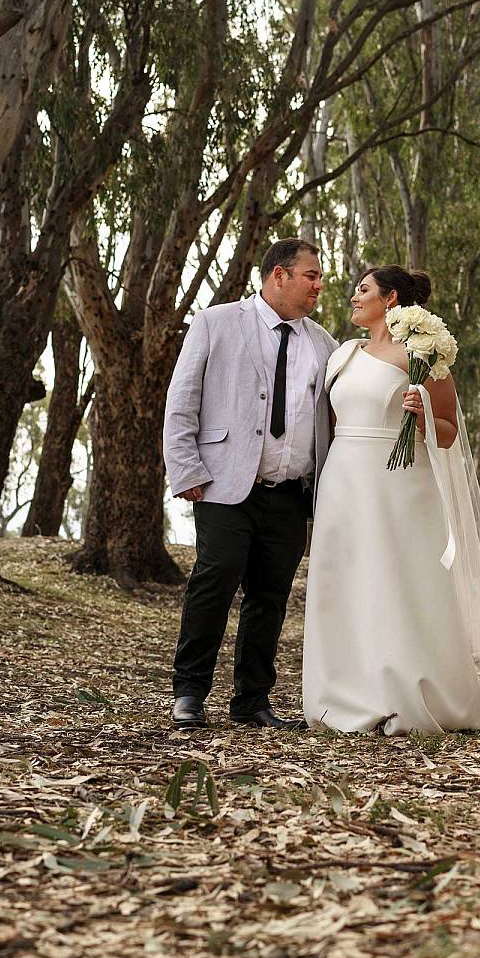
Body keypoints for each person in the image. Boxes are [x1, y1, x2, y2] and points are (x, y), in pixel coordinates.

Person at [302, 264, 480, 735]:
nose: (352, 297)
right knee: (345, 581)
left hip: (399, 482)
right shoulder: (344, 355)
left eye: (363, 290)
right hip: (344, 481)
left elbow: (448, 431)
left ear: (391, 299)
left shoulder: (421, 355)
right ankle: (342, 692)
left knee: (396, 582)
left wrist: (421, 413)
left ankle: (405, 691)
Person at [164, 238, 337, 730]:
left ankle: (252, 702)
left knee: (271, 595)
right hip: (223, 485)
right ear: (278, 275)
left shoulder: (322, 343)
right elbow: (182, 399)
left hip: (290, 492)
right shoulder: (216, 322)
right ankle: (189, 694)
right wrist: (186, 469)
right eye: (311, 276)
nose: (319, 286)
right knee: (214, 581)